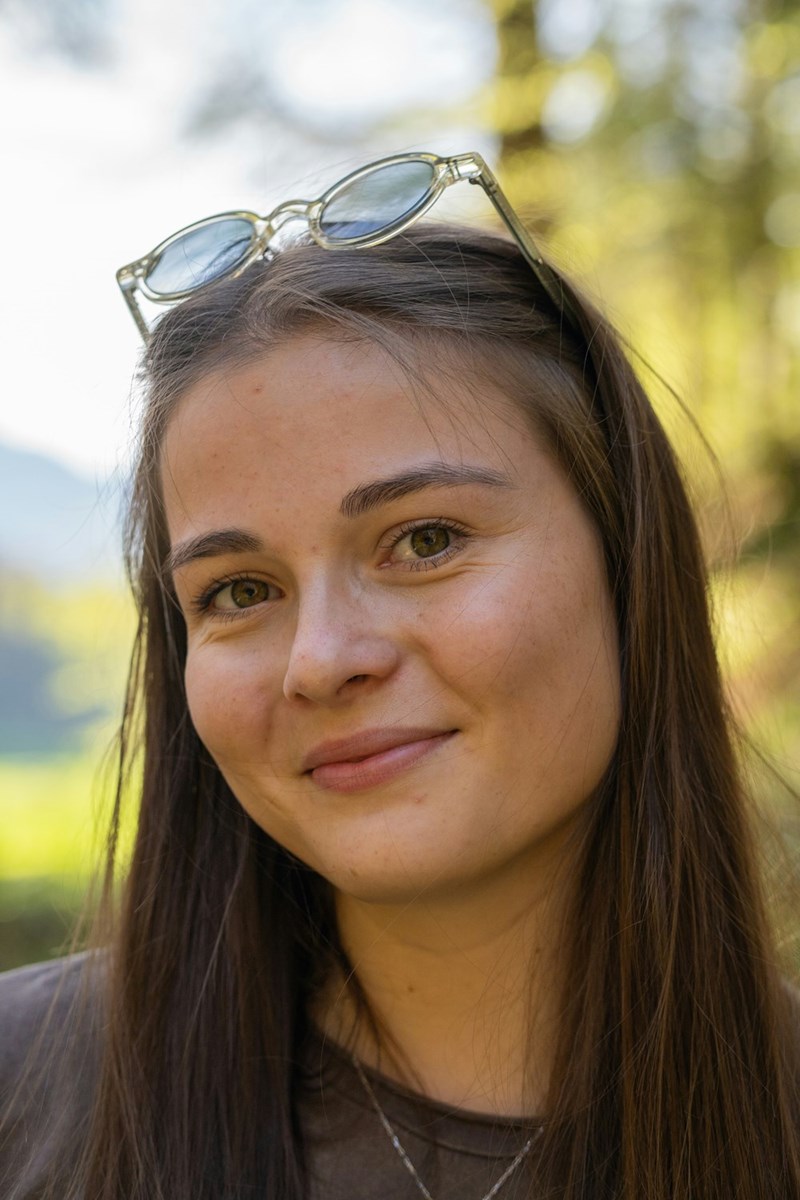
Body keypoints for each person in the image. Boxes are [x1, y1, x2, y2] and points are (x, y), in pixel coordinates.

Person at [1, 151, 798, 1200]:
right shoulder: (23, 1089)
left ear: (628, 559)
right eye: (238, 592)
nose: (321, 661)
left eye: (423, 539)